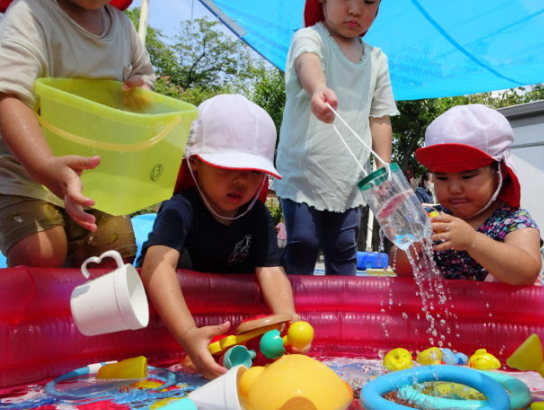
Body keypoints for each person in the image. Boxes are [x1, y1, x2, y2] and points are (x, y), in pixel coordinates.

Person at [137, 94, 299, 379]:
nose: (242, 180)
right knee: (178, 259)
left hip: (228, 326)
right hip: (175, 325)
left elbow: (272, 271)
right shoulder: (180, 208)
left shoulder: (258, 216)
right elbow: (155, 267)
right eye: (228, 167)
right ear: (195, 162)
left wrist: (288, 319)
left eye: (253, 171)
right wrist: (188, 334)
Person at [0, 0, 154, 268]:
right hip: (27, 174)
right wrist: (43, 166)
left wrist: (141, 89)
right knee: (41, 253)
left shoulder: (122, 27)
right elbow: (9, 95)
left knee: (115, 256)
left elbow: (145, 74)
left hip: (96, 178)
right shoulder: (31, 13)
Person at [273, 0, 399, 276]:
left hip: (349, 178)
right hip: (303, 174)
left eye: (367, 2)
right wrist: (318, 88)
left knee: (343, 248)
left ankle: (342, 316)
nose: (355, 10)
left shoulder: (377, 59)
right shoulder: (309, 36)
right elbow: (308, 61)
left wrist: (384, 166)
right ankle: (289, 312)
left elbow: (379, 116)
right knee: (303, 242)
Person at [391, 105, 542, 285]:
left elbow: (527, 272)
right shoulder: (433, 219)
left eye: (467, 176)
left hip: (499, 313)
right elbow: (398, 267)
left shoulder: (512, 221)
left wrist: (473, 241)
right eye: (441, 177)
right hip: (444, 313)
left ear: (499, 174)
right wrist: (415, 240)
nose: (454, 188)